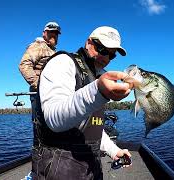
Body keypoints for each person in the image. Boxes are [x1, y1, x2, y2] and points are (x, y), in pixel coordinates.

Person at [32, 26, 133, 180]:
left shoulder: (99, 76)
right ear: (88, 43)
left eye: (111, 56)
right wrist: (98, 91)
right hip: (59, 166)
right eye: (102, 49)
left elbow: (93, 126)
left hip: (91, 163)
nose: (105, 58)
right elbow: (54, 119)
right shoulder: (63, 62)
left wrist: (114, 151)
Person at [19, 21, 61, 92]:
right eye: (51, 32)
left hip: (53, 91)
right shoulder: (38, 46)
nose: (54, 34)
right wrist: (38, 84)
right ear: (44, 33)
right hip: (41, 93)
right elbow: (24, 64)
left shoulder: (52, 51)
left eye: (56, 33)